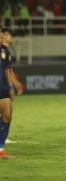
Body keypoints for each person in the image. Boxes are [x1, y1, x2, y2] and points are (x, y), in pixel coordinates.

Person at [0, 28, 16, 158]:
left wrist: (11, 87)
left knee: (7, 117)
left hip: (3, 88)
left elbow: (7, 70)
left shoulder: (4, 51)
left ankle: (1, 149)